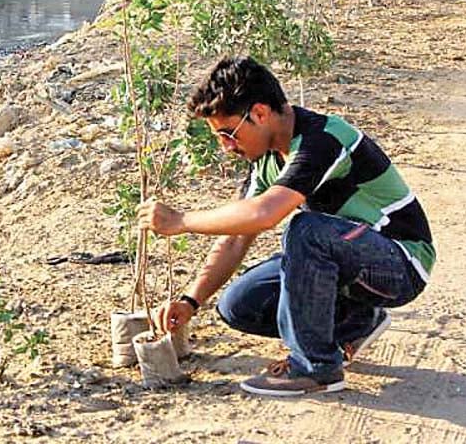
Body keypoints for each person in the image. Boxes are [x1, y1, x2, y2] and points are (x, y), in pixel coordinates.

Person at [137, 56, 433, 396]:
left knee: (304, 230)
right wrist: (190, 302)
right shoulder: (265, 159)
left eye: (228, 134)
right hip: (350, 261)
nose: (226, 147)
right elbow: (236, 238)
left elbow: (265, 214)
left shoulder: (323, 139)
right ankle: (356, 323)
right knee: (238, 304)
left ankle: (315, 368)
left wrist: (181, 221)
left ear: (260, 113)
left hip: (401, 264)